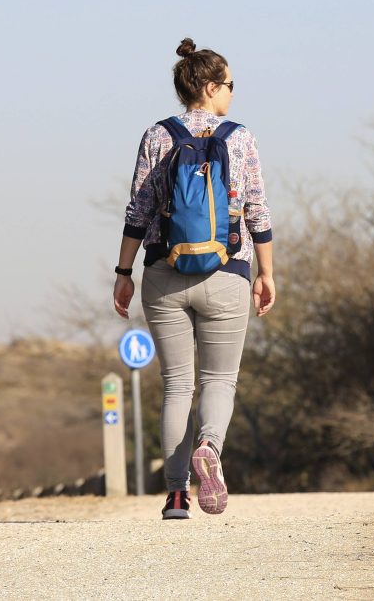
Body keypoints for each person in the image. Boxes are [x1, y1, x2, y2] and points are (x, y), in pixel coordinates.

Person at [112, 37, 275, 520]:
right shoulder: (240, 137)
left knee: (177, 385)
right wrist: (265, 272)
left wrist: (123, 272)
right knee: (220, 380)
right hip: (228, 271)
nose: (232, 93)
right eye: (229, 84)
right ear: (208, 86)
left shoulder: (157, 135)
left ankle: (177, 494)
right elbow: (258, 210)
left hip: (164, 272)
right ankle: (210, 445)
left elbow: (137, 211)